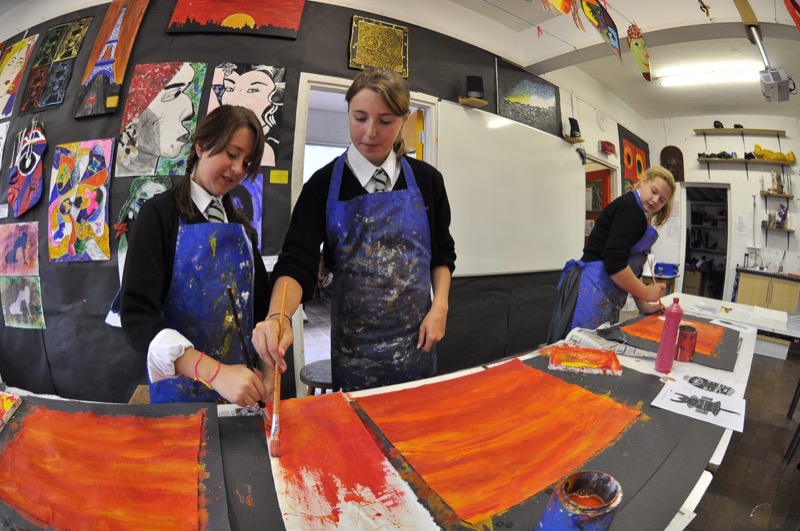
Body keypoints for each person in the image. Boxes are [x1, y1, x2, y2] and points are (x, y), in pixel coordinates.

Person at [252, 67, 456, 393]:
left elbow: (441, 252)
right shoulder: (322, 185)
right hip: (354, 353)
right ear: (348, 112)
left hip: (417, 342)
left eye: (385, 121)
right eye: (360, 118)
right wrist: (279, 316)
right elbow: (297, 260)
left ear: (404, 119)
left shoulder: (427, 180)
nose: (370, 132)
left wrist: (440, 305)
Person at [120, 105, 271, 406]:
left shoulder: (242, 229)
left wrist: (268, 370)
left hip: (241, 396)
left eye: (246, 162)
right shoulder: (158, 216)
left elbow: (261, 310)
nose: (238, 169)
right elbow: (137, 316)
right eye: (232, 154)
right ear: (201, 146)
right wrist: (216, 373)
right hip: (180, 400)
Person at [547, 166, 676, 343]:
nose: (655, 200)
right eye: (654, 191)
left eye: (662, 200)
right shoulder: (630, 210)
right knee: (577, 349)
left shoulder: (639, 214)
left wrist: (643, 305)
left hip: (602, 291)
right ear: (644, 181)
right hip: (591, 287)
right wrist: (646, 292)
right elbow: (615, 264)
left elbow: (633, 268)